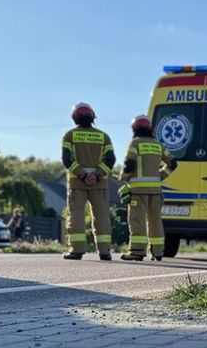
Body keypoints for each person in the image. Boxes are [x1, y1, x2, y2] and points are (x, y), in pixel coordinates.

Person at [61, 103, 115, 260]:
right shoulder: (104, 136)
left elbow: (67, 159)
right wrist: (97, 175)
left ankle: (76, 250)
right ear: (93, 117)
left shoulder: (69, 135)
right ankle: (105, 251)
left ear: (75, 118)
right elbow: (110, 160)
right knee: (102, 217)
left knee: (76, 216)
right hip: (100, 184)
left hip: (78, 183)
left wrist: (83, 175)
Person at [119, 114, 176, 261]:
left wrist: (124, 179)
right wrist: (160, 176)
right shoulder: (158, 145)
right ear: (151, 128)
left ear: (134, 129)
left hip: (138, 192)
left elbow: (129, 165)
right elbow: (173, 164)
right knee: (155, 221)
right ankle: (158, 252)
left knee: (137, 221)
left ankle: (137, 252)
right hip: (156, 192)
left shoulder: (135, 144)